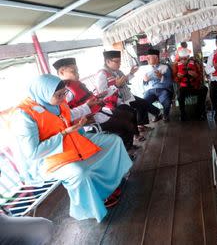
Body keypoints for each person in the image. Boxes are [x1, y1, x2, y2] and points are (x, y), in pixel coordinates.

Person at [10, 74, 132, 222]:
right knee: (80, 172)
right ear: (43, 92)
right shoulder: (24, 115)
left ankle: (113, 181)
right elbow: (33, 153)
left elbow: (68, 114)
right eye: (59, 95)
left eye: (64, 93)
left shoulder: (56, 102)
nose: (63, 98)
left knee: (113, 141)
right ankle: (90, 208)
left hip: (71, 142)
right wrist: (64, 133)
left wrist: (88, 106)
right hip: (46, 159)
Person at [53, 58, 139, 150]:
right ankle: (126, 149)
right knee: (127, 126)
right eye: (74, 72)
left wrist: (113, 88)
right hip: (91, 121)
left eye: (77, 71)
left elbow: (90, 99)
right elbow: (67, 115)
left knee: (129, 115)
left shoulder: (76, 84)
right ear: (62, 73)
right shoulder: (65, 92)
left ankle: (127, 146)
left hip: (100, 111)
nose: (78, 74)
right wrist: (86, 109)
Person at [95, 50, 151, 136]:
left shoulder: (118, 71)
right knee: (131, 113)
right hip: (113, 103)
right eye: (117, 61)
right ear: (108, 61)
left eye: (120, 61)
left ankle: (140, 125)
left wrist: (131, 73)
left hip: (125, 96)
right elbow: (102, 94)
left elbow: (124, 80)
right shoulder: (101, 74)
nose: (119, 64)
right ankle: (136, 134)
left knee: (142, 103)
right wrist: (116, 86)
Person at [172, 48, 208, 121]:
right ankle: (183, 114)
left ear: (188, 57)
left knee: (204, 89)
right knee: (180, 96)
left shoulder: (195, 63)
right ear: (179, 58)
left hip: (195, 86)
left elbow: (201, 76)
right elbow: (174, 79)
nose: (184, 60)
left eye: (185, 58)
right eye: (182, 58)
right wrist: (178, 77)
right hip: (183, 87)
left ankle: (199, 112)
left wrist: (196, 75)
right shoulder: (176, 65)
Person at [142, 48, 173, 122]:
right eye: (147, 58)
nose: (147, 59)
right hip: (150, 90)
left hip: (163, 89)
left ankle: (165, 115)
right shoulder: (146, 69)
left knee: (166, 101)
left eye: (149, 57)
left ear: (156, 57)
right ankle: (157, 114)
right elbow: (144, 83)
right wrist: (144, 80)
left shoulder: (165, 67)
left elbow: (169, 83)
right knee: (142, 103)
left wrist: (161, 77)